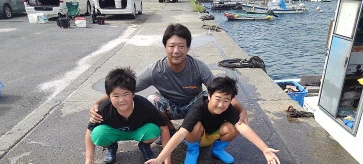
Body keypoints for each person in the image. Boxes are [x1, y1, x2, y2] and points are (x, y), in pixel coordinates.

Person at [89, 23, 248, 148]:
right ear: (165, 47)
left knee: (205, 98)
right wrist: (98, 103)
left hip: (193, 107)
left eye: (181, 46)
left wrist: (241, 110)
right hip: (169, 107)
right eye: (172, 46)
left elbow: (219, 91)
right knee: (152, 99)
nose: (176, 51)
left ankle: (198, 133)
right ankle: (169, 129)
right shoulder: (155, 70)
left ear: (187, 48)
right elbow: (125, 88)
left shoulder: (198, 67)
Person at [144, 76, 280, 164]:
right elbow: (180, 134)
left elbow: (242, 127)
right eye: (217, 99)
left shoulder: (229, 108)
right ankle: (193, 150)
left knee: (233, 127)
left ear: (231, 100)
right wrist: (159, 159)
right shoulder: (198, 108)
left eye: (226, 100)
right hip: (197, 136)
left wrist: (264, 149)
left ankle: (217, 150)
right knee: (192, 127)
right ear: (209, 96)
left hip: (213, 135)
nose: (221, 104)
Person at [84, 67, 171, 164]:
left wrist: (166, 158)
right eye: (116, 96)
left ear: (133, 94)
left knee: (154, 129)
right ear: (109, 97)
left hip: (138, 131)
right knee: (97, 133)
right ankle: (111, 147)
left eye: (126, 94)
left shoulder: (144, 105)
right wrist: (89, 160)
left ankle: (144, 146)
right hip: (115, 133)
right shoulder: (103, 109)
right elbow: (89, 132)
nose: (121, 100)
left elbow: (163, 128)